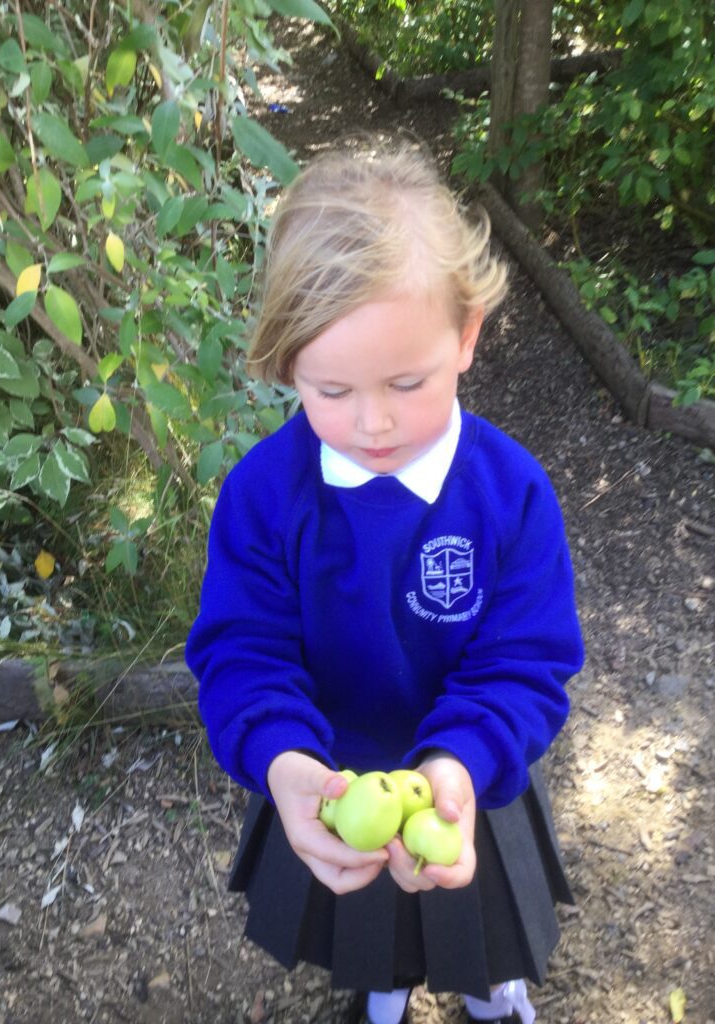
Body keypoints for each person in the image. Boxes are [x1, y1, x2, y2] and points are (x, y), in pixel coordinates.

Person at [185, 145, 584, 1024]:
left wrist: (460, 760)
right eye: (331, 390)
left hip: (472, 771)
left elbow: (525, 661)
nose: (373, 422)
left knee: (479, 912)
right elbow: (243, 651)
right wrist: (281, 758)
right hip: (334, 776)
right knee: (369, 916)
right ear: (287, 365)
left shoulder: (511, 495)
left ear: (467, 336)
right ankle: (386, 979)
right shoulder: (263, 496)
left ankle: (489, 984)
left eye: (407, 382)